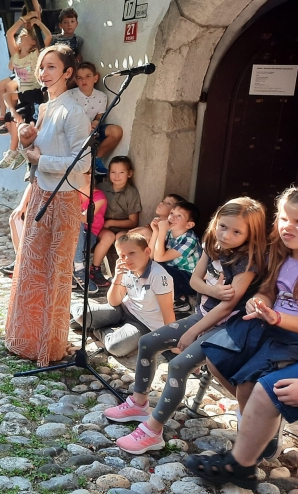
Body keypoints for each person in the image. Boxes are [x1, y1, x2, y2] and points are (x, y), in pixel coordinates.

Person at [103, 197, 267, 454]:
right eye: (223, 226)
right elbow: (194, 281)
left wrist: (193, 331)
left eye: (237, 232)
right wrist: (213, 290)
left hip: (225, 328)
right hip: (203, 314)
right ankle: (138, 402)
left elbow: (227, 307)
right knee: (148, 342)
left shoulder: (246, 263)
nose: (226, 235)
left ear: (251, 234)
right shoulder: (212, 245)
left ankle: (153, 431)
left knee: (178, 365)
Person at [4, 44, 91, 366]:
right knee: (31, 270)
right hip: (41, 194)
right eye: (41, 66)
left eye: (51, 67)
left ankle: (49, 346)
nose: (43, 72)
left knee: (54, 276)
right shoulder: (46, 108)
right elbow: (36, 156)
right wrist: (29, 142)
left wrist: (42, 159)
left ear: (68, 72)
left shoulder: (74, 111)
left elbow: (82, 163)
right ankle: (26, 339)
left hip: (63, 200)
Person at [202, 187, 298, 416]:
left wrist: (277, 318)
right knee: (217, 358)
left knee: (249, 385)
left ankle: (253, 424)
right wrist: (258, 300)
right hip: (267, 325)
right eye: (284, 218)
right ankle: (252, 417)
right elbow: (269, 291)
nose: (288, 226)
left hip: (290, 338)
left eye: (297, 221)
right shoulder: (280, 254)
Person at [71, 232, 175, 358]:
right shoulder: (126, 269)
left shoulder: (159, 275)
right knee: (81, 315)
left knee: (115, 347)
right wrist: (117, 277)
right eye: (122, 255)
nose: (127, 259)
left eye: (132, 253)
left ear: (147, 251)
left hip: (145, 323)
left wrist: (172, 341)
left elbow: (168, 311)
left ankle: (98, 330)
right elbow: (114, 302)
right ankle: (84, 318)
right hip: (125, 310)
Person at [0, 3, 52, 171]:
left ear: (33, 41)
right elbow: (9, 34)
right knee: (11, 114)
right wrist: (22, 20)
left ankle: (20, 153)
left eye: (24, 36)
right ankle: (19, 150)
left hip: (34, 92)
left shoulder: (35, 55)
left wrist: (38, 22)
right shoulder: (16, 56)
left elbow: (48, 37)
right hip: (23, 93)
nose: (20, 36)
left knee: (29, 124)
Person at [90, 156, 142, 288]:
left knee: (122, 238)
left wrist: (112, 222)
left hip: (122, 227)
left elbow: (133, 222)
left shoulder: (131, 193)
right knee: (108, 236)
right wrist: (106, 224)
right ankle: (95, 270)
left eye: (121, 172)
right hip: (102, 227)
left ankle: (123, 272)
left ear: (129, 173)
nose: (116, 176)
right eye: (113, 172)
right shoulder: (101, 187)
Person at [68, 62, 122, 174]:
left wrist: (96, 122)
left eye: (88, 76)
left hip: (92, 130)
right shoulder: (69, 95)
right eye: (79, 78)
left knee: (116, 131)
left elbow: (99, 117)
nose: (84, 80)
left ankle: (96, 160)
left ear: (95, 78)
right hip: (75, 132)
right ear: (76, 80)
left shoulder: (102, 96)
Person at [150, 200, 202, 313]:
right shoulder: (169, 232)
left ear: (189, 225)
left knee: (155, 266)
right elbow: (150, 255)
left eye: (179, 216)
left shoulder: (190, 240)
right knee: (150, 264)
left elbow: (159, 258)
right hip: (174, 272)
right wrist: (156, 231)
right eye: (172, 213)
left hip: (189, 280)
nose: (172, 217)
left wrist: (162, 231)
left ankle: (180, 300)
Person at [72, 175, 108, 295]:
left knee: (77, 222)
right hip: (72, 234)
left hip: (89, 234)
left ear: (90, 176)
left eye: (79, 172)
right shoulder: (73, 192)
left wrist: (67, 209)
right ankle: (70, 272)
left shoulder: (99, 196)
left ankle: (78, 269)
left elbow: (85, 218)